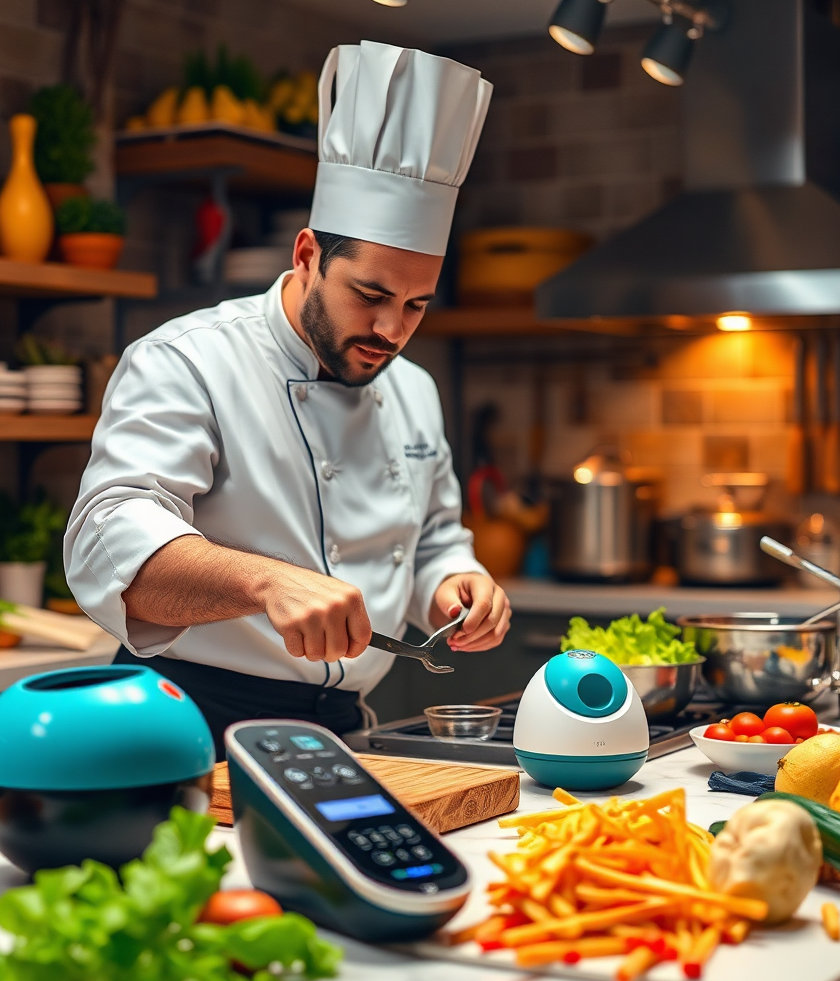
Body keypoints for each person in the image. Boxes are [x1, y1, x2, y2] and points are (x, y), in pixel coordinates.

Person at [65, 41, 510, 757]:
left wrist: (455, 583)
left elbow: (430, 537)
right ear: (307, 256)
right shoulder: (188, 359)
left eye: (417, 305)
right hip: (184, 727)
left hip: (340, 731)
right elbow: (106, 541)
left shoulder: (415, 390)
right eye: (370, 295)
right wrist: (265, 583)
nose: (392, 331)